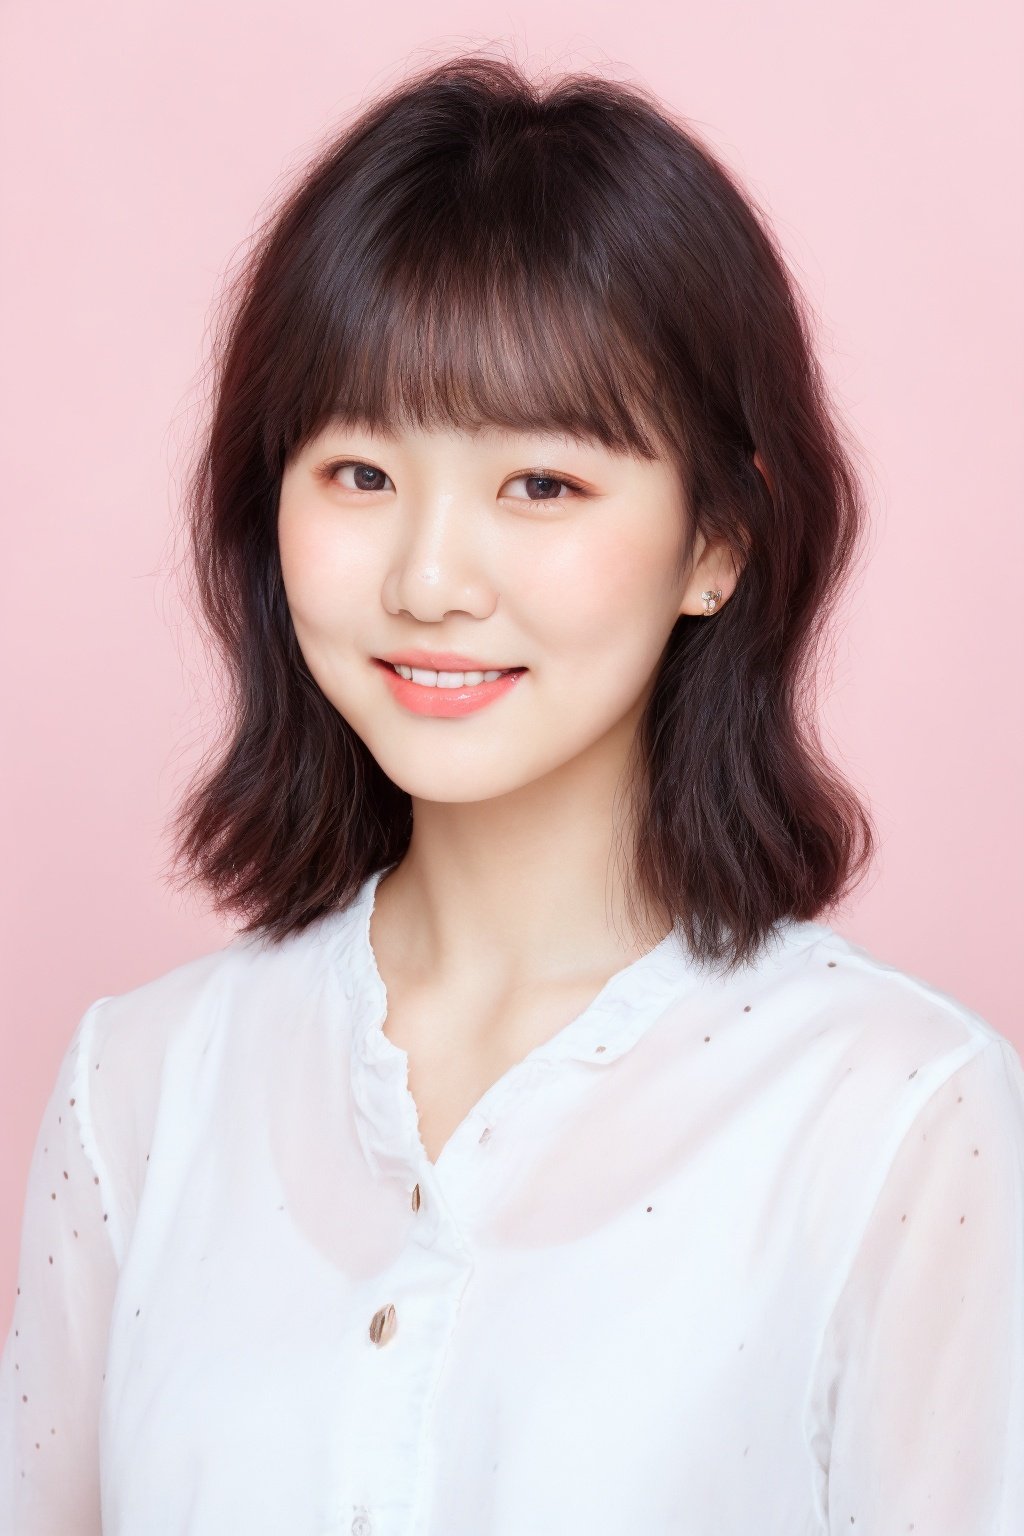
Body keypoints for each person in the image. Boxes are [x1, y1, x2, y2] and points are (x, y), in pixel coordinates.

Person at [2, 50, 1022, 1536]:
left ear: (718, 541)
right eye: (358, 473)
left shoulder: (901, 1123)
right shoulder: (140, 1093)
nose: (427, 579)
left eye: (540, 484)